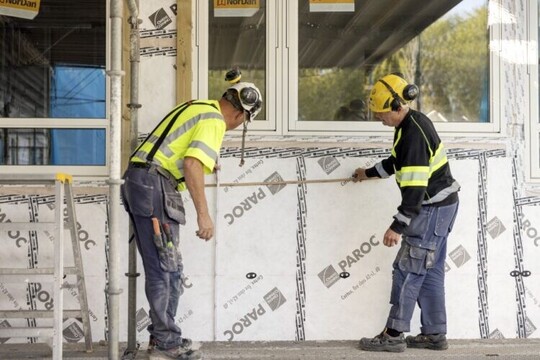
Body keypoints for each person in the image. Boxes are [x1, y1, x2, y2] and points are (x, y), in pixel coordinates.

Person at [121, 73, 262, 360]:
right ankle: (165, 344)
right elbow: (191, 163)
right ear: (240, 113)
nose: (237, 127)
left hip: (143, 182)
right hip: (154, 185)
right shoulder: (214, 121)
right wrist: (204, 216)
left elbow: (180, 153)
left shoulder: (196, 106)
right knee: (166, 269)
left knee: (166, 266)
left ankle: (162, 337)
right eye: (242, 122)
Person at [353, 73, 460, 353]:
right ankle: (434, 334)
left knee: (408, 269)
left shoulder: (412, 134)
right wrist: (367, 174)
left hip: (430, 208)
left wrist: (397, 227)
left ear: (397, 106)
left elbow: (414, 191)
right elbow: (396, 162)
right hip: (443, 206)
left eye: (382, 115)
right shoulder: (410, 124)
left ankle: (393, 334)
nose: (380, 120)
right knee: (430, 270)